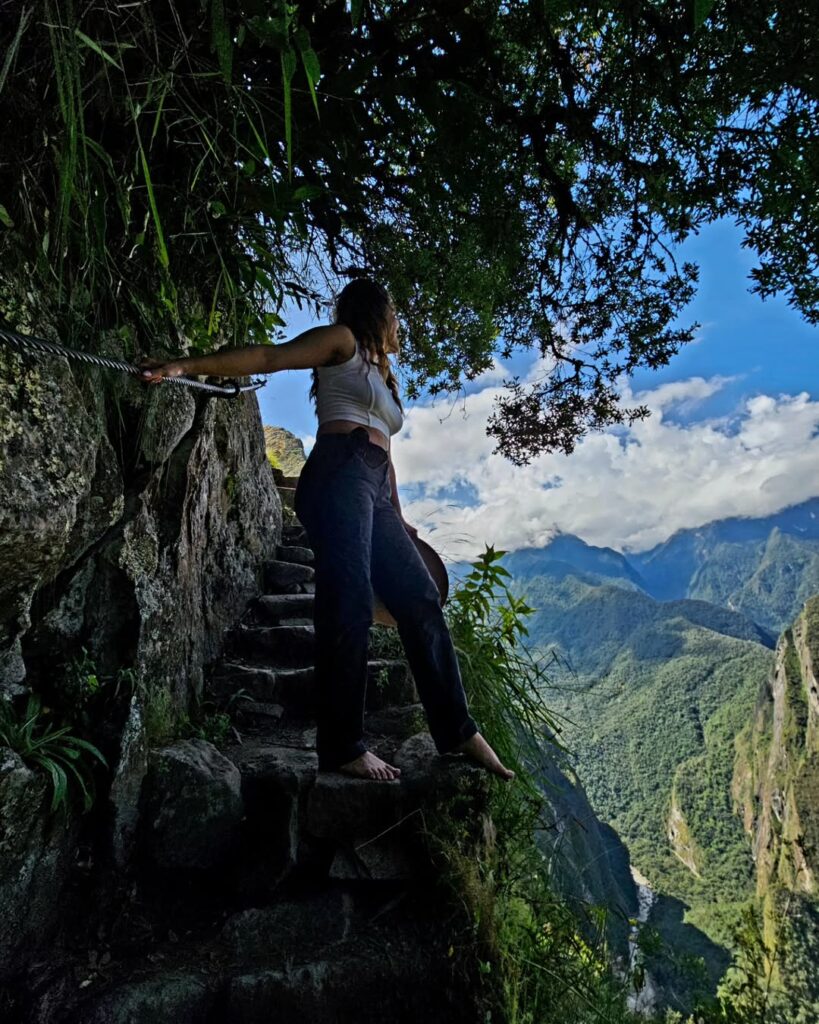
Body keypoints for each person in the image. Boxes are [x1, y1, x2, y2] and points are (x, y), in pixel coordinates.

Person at [139, 278, 514, 783]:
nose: (400, 322)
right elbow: (271, 357)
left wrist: (398, 516)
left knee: (420, 598)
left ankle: (459, 730)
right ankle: (342, 747)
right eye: (396, 312)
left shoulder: (383, 375)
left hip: (373, 486)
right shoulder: (342, 342)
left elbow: (387, 454)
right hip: (337, 473)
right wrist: (185, 366)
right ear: (377, 313)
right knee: (350, 601)